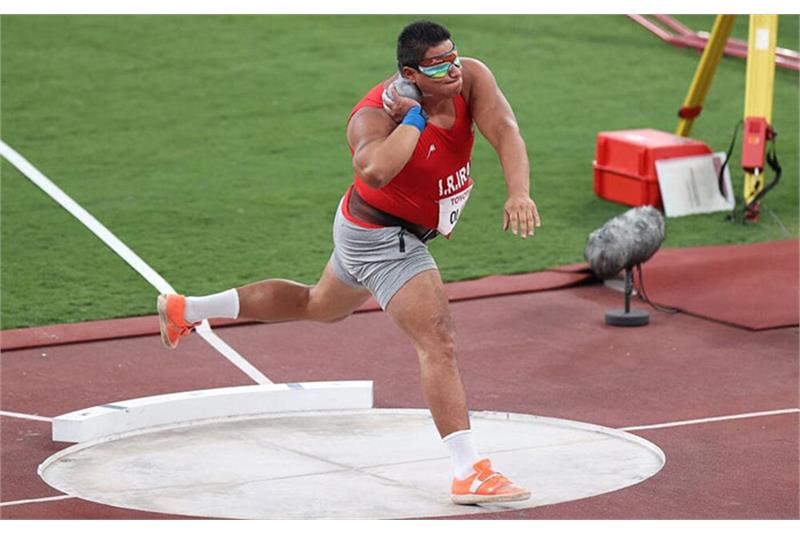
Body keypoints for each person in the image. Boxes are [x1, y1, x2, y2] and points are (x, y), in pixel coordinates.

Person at [158, 20, 541, 505]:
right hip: (380, 235)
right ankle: (469, 471)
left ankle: (185, 310)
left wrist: (519, 191)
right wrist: (415, 119)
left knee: (318, 305)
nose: (454, 69)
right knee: (437, 337)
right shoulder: (372, 117)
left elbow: (505, 130)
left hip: (373, 230)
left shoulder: (473, 79)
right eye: (439, 64)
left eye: (455, 56)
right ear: (410, 73)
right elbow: (378, 170)